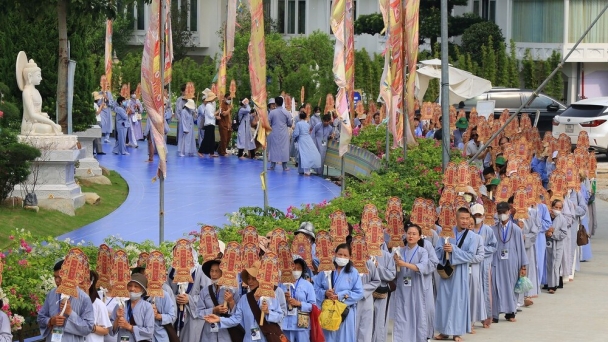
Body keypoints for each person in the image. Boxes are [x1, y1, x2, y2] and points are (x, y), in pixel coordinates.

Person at [203, 261, 285, 342]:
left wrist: (268, 312)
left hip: (266, 338)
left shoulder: (270, 297)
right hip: (249, 339)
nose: (250, 281)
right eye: (248, 278)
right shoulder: (244, 299)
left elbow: (280, 316)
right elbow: (236, 319)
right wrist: (219, 319)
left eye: (253, 279)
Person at [434, 207, 481, 341]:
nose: (465, 221)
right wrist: (444, 250)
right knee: (444, 300)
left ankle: (456, 332)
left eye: (467, 219)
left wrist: (453, 249)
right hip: (447, 272)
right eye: (462, 218)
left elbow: (470, 256)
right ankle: (443, 331)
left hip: (460, 273)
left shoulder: (473, 237)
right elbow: (436, 251)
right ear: (456, 219)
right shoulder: (446, 233)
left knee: (458, 302)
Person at [313, 243, 364, 342]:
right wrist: (325, 293)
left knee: (344, 338)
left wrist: (340, 296)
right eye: (340, 254)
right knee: (328, 337)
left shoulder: (353, 272)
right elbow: (315, 289)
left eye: (345, 255)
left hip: (344, 313)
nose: (342, 257)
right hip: (328, 311)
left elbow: (359, 293)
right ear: (335, 254)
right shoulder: (326, 270)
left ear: (350, 257)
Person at [392, 224, 433, 342]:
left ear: (419, 237)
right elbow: (392, 268)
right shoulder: (399, 250)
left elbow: (423, 266)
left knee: (417, 313)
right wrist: (395, 262)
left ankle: (418, 338)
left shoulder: (422, 251)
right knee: (402, 312)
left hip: (416, 286)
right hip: (402, 287)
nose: (411, 236)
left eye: (414, 234)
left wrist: (404, 264)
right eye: (409, 233)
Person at [37, 260, 95, 342]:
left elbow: (88, 328)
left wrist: (71, 313)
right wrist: (50, 321)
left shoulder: (84, 298)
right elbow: (40, 318)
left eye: (59, 277)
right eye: (55, 277)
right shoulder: (51, 294)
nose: (56, 280)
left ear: (69, 277)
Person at [491, 202, 528, 323]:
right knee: (496, 286)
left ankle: (510, 312)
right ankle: (495, 313)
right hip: (497, 261)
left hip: (512, 262)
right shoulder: (494, 229)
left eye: (504, 212)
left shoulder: (516, 229)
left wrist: (523, 266)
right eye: (500, 212)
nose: (502, 215)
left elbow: (521, 248)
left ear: (509, 212)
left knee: (511, 286)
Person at [166, 246, 210, 342]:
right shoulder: (171, 271)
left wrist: (189, 299)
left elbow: (208, 296)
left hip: (194, 316)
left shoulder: (201, 271)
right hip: (175, 313)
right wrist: (175, 298)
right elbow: (166, 293)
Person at [196, 259, 242, 342]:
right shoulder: (205, 291)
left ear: (223, 273)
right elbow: (199, 313)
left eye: (217, 271)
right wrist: (213, 310)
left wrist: (231, 302)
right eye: (212, 271)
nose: (213, 274)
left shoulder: (233, 291)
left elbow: (238, 314)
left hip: (226, 334)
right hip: (209, 334)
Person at [470, 204, 497, 328]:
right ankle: (471, 319)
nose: (477, 218)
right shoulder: (468, 230)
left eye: (479, 215)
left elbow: (493, 246)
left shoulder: (488, 230)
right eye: (475, 215)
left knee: (486, 290)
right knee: (472, 290)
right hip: (472, 263)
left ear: (483, 216)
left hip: (485, 263)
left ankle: (486, 317)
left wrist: (480, 250)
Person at [279, 257, 316, 342]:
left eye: (298, 268)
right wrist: (283, 298)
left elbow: (313, 306)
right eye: (293, 267)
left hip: (302, 324)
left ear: (302, 270)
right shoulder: (281, 284)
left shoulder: (307, 285)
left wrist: (299, 303)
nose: (296, 270)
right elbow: (276, 303)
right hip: (285, 324)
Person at [111, 273, 155, 342]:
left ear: (142, 290)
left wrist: (129, 327)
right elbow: (110, 330)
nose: (132, 289)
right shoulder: (120, 304)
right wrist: (117, 319)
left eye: (136, 286)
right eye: (130, 285)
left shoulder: (147, 307)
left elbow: (149, 332)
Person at [465, 209, 487, 333]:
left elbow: (481, 256)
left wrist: (466, 258)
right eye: (467, 223)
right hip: (460, 271)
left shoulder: (478, 238)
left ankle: (471, 322)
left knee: (473, 297)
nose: (469, 226)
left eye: (471, 224)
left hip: (473, 272)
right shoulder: (457, 237)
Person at [370, 244, 396, 342]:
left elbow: (391, 275)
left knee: (379, 321)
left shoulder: (386, 256)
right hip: (364, 294)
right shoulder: (360, 253)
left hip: (380, 292)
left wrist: (378, 267)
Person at [355, 254, 380, 342]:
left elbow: (376, 281)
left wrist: (361, 290)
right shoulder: (348, 264)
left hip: (366, 300)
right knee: (351, 329)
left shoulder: (369, 264)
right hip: (351, 300)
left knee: (365, 329)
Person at [546, 199, 568, 294]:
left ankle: (553, 285)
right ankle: (547, 283)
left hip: (557, 245)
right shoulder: (547, 217)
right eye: (556, 207)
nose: (558, 209)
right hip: (547, 244)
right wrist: (546, 232)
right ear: (552, 207)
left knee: (555, 265)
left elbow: (564, 233)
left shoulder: (562, 219)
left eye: (560, 208)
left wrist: (553, 233)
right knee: (548, 265)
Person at [267, 96, 293, 171]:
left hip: (274, 132)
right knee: (284, 149)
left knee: (274, 148)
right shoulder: (286, 112)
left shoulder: (272, 112)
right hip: (284, 133)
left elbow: (269, 123)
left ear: (275, 103)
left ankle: (272, 166)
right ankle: (284, 166)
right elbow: (290, 123)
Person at [84, 270, 111, 342]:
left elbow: (105, 330)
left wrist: (91, 327)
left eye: (84, 281)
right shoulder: (72, 302)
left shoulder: (98, 304)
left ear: (90, 283)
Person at [293, 111, 321, 176]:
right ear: (305, 117)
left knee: (303, 154)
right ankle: (302, 169)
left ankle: (305, 170)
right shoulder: (307, 124)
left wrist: (293, 136)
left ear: (299, 117)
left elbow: (296, 133)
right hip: (308, 139)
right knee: (307, 153)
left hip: (302, 140)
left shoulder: (298, 124)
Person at [198, 92, 219, 158]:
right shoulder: (208, 106)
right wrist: (217, 113)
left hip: (211, 123)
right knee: (207, 138)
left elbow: (212, 115)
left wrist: (216, 115)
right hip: (208, 123)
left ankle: (211, 152)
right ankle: (200, 151)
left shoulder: (211, 105)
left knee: (212, 139)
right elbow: (210, 115)